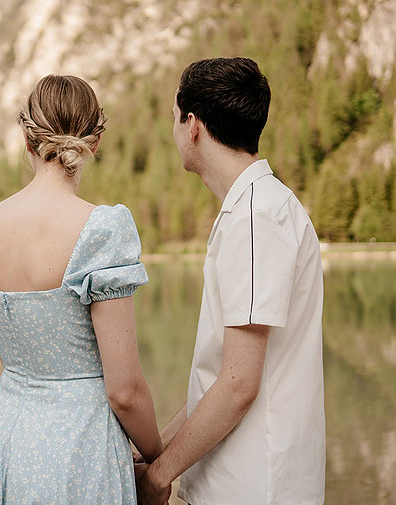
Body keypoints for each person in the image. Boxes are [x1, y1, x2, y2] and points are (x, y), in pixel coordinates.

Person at [0, 74, 162, 505]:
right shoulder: (101, 231)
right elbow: (124, 391)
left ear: (26, 141)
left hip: (4, 443)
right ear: (96, 141)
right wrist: (157, 463)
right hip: (78, 451)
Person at [135, 57, 325, 505]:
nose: (174, 133)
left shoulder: (256, 216)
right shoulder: (255, 206)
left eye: (174, 118)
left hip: (255, 486)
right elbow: (221, 376)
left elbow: (239, 383)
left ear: (193, 124)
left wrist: (159, 477)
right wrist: (156, 453)